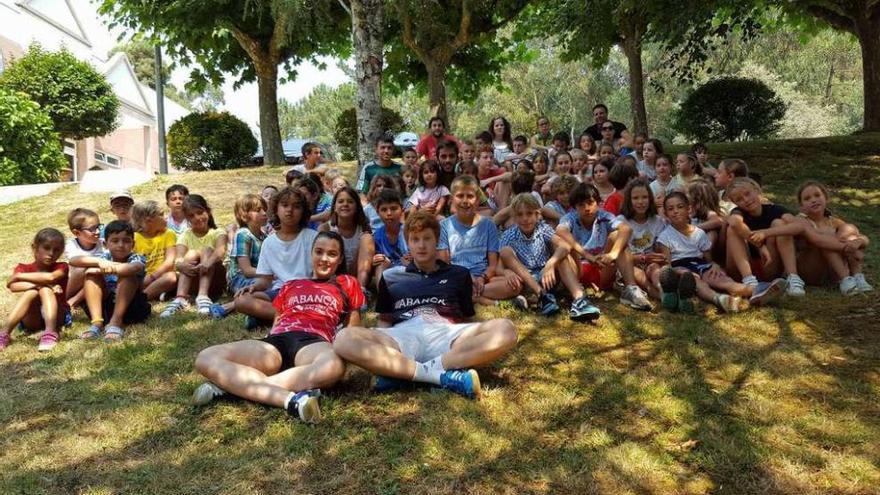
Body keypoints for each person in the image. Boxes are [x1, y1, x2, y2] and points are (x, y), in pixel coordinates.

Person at [333, 211, 518, 400]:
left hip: (446, 333)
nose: (421, 245)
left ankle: (403, 375)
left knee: (507, 329)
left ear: (436, 240)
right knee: (343, 338)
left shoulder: (459, 274)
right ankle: (438, 376)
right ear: (408, 243)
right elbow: (384, 320)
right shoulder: (390, 277)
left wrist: (475, 341)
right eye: (415, 239)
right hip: (403, 335)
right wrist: (380, 345)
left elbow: (466, 317)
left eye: (427, 238)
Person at [193, 231, 365, 422]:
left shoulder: (347, 283)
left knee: (333, 366)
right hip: (277, 341)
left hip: (315, 341)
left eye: (332, 254)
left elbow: (352, 329)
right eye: (319, 252)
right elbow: (278, 319)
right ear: (311, 254)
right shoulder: (291, 285)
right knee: (206, 357)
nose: (324, 259)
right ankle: (289, 398)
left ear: (340, 259)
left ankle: (232, 389)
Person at [652, 192, 782, 313]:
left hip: (701, 265)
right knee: (697, 282)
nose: (675, 211)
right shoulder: (665, 237)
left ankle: (758, 290)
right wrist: (680, 272)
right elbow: (667, 267)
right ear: (666, 214)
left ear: (689, 210)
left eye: (679, 207)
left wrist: (714, 265)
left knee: (723, 280)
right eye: (670, 209)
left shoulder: (699, 233)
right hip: (681, 268)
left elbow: (708, 259)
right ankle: (719, 299)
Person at [556, 182, 646, 317]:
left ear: (597, 203)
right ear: (574, 207)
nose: (587, 208)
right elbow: (560, 230)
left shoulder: (604, 216)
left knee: (618, 236)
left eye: (590, 203)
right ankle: (578, 296)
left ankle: (631, 289)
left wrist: (612, 255)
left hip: (602, 266)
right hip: (578, 268)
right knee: (564, 245)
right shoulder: (570, 218)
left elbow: (626, 229)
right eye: (581, 205)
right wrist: (586, 255)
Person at [500, 193, 595, 319]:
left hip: (548, 276)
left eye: (529, 213)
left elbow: (565, 246)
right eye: (520, 215)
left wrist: (551, 263)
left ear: (537, 214)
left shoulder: (542, 228)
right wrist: (506, 272)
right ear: (514, 217)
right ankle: (542, 296)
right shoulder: (509, 235)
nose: (525, 219)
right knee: (505, 251)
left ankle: (579, 299)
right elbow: (498, 265)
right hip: (528, 279)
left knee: (561, 251)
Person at [234, 187, 318, 327]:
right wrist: (253, 288)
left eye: (296, 206)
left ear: (303, 211)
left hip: (305, 292)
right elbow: (265, 281)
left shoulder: (312, 237)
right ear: (276, 209)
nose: (289, 210)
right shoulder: (269, 242)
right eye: (285, 205)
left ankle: (268, 317)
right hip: (279, 292)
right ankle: (293, 316)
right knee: (242, 300)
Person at [438, 176, 517, 305]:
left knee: (514, 284)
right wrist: (467, 276)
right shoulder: (444, 226)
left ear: (477, 200)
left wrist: (482, 278)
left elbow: (492, 265)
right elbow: (444, 264)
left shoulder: (488, 225)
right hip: (457, 276)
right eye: (460, 196)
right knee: (444, 284)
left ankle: (470, 295)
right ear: (451, 200)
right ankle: (492, 302)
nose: (465, 201)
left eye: (470, 196)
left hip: (484, 278)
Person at [725, 178, 808, 298]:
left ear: (757, 190)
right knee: (733, 229)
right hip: (743, 268)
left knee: (779, 224)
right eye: (739, 199)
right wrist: (760, 245)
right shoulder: (738, 212)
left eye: (747, 193)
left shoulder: (775, 209)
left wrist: (765, 233)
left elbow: (799, 226)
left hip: (769, 266)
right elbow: (733, 222)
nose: (746, 200)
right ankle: (750, 282)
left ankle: (793, 278)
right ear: (735, 203)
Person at [72, 221, 151, 341]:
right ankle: (97, 323)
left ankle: (116, 322)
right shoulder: (104, 258)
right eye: (115, 241)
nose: (120, 245)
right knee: (91, 277)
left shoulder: (136, 257)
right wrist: (99, 263)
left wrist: (104, 270)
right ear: (105, 244)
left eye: (126, 241)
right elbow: (73, 260)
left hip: (131, 308)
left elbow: (134, 267)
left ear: (133, 244)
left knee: (127, 275)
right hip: (105, 308)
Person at [794, 181, 872, 294]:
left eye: (817, 195)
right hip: (811, 272)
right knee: (826, 238)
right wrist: (847, 246)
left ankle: (857, 277)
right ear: (801, 206)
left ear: (826, 198)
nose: (813, 200)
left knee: (849, 228)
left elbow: (864, 238)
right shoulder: (800, 221)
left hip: (832, 272)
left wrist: (857, 242)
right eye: (807, 198)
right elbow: (818, 241)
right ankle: (846, 279)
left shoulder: (833, 221)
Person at [160, 195, 228, 317]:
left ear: (208, 211)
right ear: (186, 218)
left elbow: (220, 250)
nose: (197, 218)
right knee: (191, 254)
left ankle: (203, 296)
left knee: (207, 250)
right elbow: (179, 257)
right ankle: (180, 298)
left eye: (200, 212)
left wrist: (208, 263)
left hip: (215, 280)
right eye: (191, 216)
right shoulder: (186, 235)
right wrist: (181, 265)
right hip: (193, 279)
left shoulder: (218, 232)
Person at [1, 228, 68, 351]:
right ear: (35, 247)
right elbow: (13, 286)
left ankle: (50, 332)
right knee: (34, 291)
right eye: (46, 248)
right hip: (32, 319)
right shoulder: (23, 267)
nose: (51, 253)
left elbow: (51, 277)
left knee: (45, 289)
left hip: (58, 315)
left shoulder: (61, 267)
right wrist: (38, 286)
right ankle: (4, 333)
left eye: (57, 250)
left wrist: (18, 276)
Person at [209, 194, 269, 320]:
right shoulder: (243, 234)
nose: (264, 213)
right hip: (238, 278)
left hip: (258, 275)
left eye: (264, 209)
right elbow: (246, 270)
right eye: (258, 210)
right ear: (244, 216)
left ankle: (255, 313)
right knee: (268, 286)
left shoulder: (265, 237)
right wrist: (271, 274)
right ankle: (225, 308)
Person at [616, 179, 665, 303]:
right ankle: (661, 296)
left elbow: (660, 248)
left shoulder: (658, 221)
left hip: (650, 264)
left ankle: (663, 289)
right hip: (629, 265)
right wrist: (642, 258)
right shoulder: (621, 221)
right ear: (629, 200)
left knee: (654, 268)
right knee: (636, 272)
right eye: (635, 198)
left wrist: (657, 257)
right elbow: (618, 254)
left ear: (650, 199)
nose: (641, 202)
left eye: (645, 197)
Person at [320, 187, 374, 290]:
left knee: (366, 238)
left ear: (357, 207)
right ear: (335, 207)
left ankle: (360, 291)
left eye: (350, 201)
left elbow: (364, 264)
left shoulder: (363, 231)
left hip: (356, 275)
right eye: (340, 201)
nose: (345, 204)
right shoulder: (325, 228)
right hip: (333, 276)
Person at [131, 201, 178, 300]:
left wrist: (152, 277)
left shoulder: (168, 234)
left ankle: (141, 299)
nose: (166, 217)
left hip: (162, 276)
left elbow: (169, 261)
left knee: (171, 277)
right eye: (161, 214)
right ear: (149, 221)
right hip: (142, 278)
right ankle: (157, 294)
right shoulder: (134, 238)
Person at [64, 208, 103, 308]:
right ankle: (65, 299)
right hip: (75, 284)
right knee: (82, 268)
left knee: (95, 272)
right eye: (92, 229)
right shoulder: (71, 245)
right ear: (77, 233)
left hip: (95, 284)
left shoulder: (104, 243)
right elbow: (75, 261)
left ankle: (75, 300)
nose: (98, 231)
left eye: (98, 226)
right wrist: (102, 261)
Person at [372, 189, 410, 286]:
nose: (389, 213)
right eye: (384, 209)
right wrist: (375, 260)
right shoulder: (377, 236)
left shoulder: (410, 231)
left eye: (393, 208)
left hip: (410, 274)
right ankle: (382, 296)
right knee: (381, 264)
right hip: (388, 277)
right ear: (378, 212)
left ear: (402, 210)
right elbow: (374, 263)